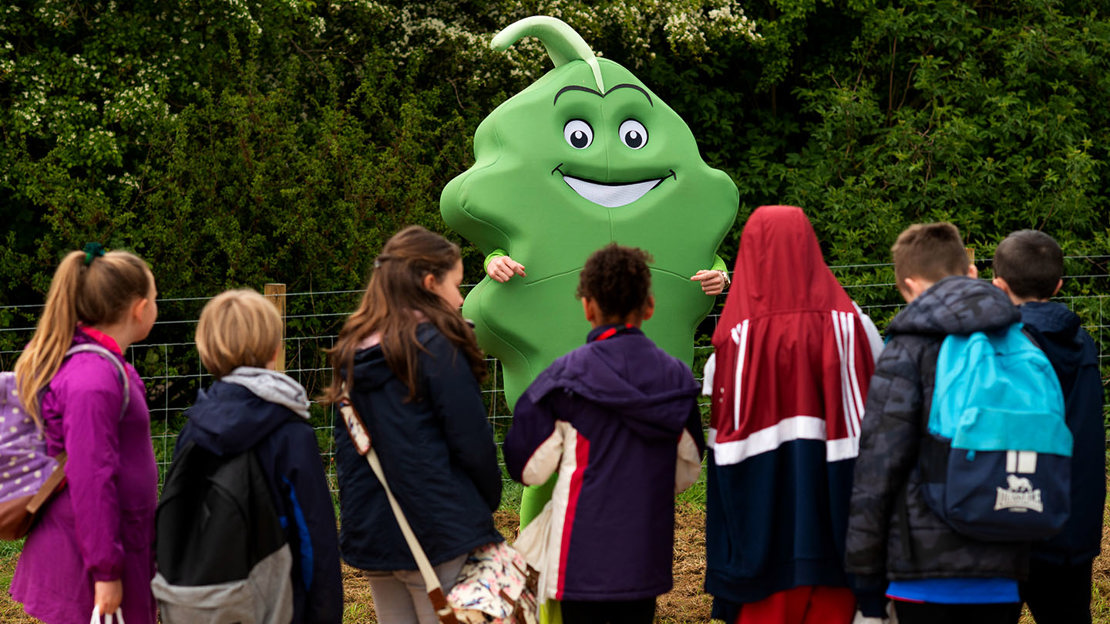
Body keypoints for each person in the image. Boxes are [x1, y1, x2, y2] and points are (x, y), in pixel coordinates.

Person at [503, 243, 705, 624]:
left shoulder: (561, 380)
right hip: (645, 554)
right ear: (649, 307)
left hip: (578, 558)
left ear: (587, 306)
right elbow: (689, 468)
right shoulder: (676, 378)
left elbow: (527, 469)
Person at [703, 205, 883, 624]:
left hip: (760, 550)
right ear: (810, 249)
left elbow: (721, 453)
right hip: (841, 546)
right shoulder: (855, 327)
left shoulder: (731, 347)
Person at [845, 222, 1027, 624]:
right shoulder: (1017, 339)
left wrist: (864, 576)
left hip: (920, 573)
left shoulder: (904, 351)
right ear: (972, 273)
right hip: (1005, 565)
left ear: (908, 284)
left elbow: (878, 469)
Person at [324, 226, 503, 624]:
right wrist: (484, 504)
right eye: (456, 284)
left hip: (376, 530)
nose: (460, 299)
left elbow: (350, 448)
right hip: (440, 531)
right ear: (429, 283)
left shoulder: (351, 352)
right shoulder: (438, 347)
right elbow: (473, 442)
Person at [172, 289, 343, 623]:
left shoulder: (193, 429)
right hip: (280, 602)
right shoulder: (291, 432)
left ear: (206, 349)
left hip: (205, 601)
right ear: (275, 347)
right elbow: (314, 535)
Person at [9, 244, 159, 623]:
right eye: (155, 296)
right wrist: (106, 573)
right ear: (140, 308)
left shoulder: (100, 365)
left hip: (102, 546)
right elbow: (92, 476)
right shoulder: (93, 378)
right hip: (87, 561)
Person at [992, 230, 1104, 624]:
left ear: (997, 284)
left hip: (1005, 522)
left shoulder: (993, 345)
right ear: (1059, 284)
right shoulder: (1083, 343)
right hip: (1070, 526)